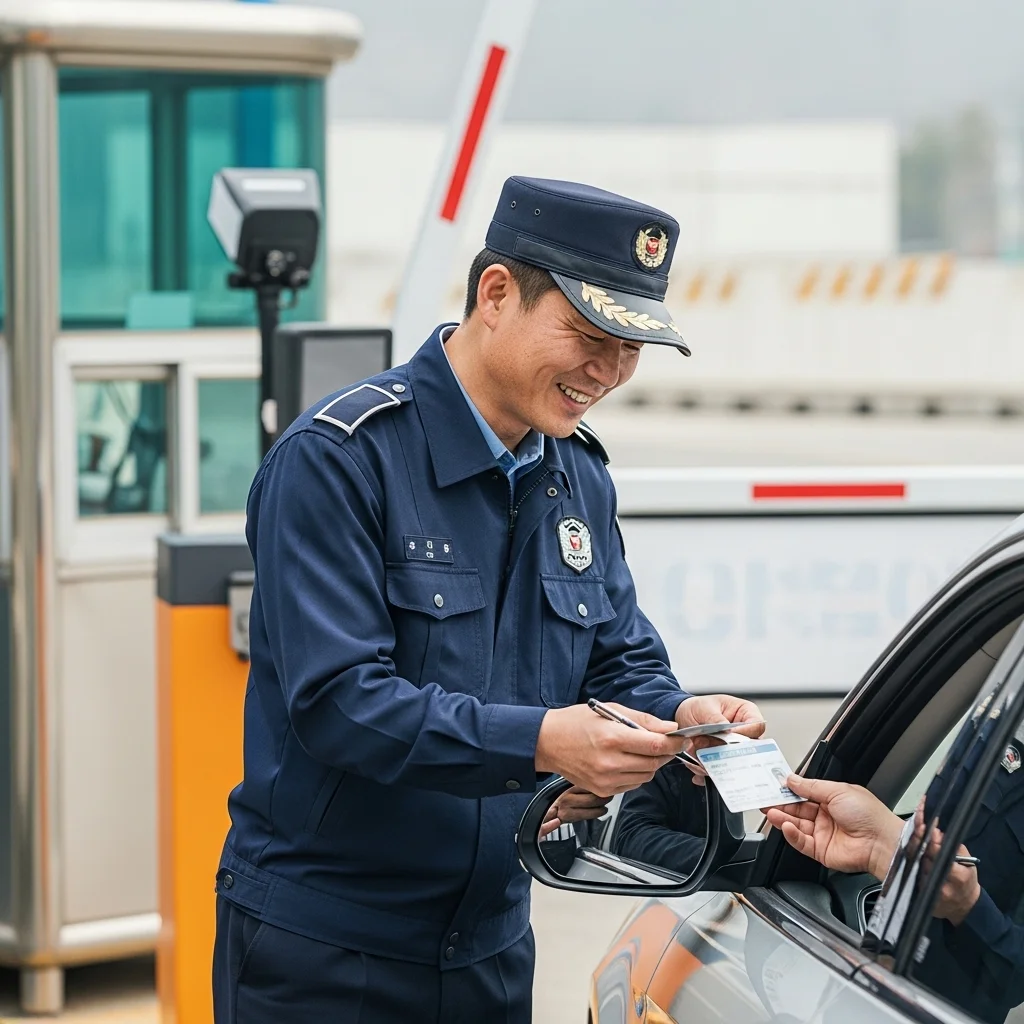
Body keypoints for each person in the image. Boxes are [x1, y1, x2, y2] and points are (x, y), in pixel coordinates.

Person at [211, 176, 766, 1023]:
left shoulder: (575, 475)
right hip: (325, 954)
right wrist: (545, 742)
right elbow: (339, 704)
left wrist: (685, 715)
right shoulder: (340, 460)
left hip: (491, 948)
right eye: (588, 335)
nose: (607, 373)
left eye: (631, 349)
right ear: (496, 294)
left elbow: (620, 660)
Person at [767, 761, 1024, 1024]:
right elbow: (934, 832)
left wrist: (969, 907)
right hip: (859, 991)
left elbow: (1016, 980)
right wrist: (881, 845)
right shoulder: (985, 726)